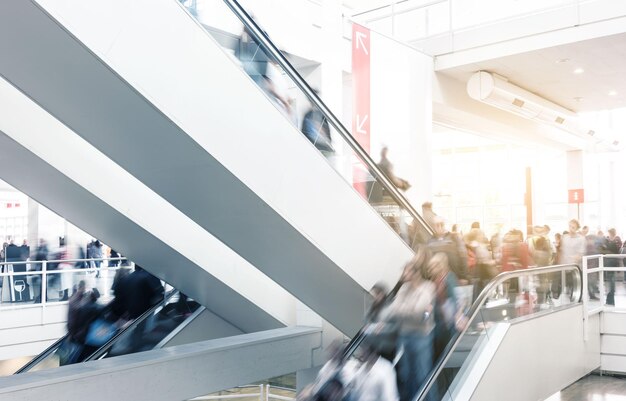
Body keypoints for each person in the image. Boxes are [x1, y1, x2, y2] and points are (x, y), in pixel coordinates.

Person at [380, 248, 436, 401]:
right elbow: (393, 310)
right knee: (407, 374)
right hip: (405, 336)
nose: (403, 275)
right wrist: (408, 311)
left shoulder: (428, 288)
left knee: (423, 375)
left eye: (406, 272)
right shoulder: (404, 288)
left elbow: (420, 315)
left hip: (421, 338)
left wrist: (405, 311)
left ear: (415, 274)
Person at [427, 216, 469, 284]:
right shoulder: (430, 242)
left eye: (441, 224)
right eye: (437, 225)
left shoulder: (455, 238)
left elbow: (463, 257)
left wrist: (463, 276)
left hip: (455, 278)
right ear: (433, 227)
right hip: (438, 281)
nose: (440, 227)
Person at [605, 228, 622, 306]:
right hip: (611, 262)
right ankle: (610, 298)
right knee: (611, 279)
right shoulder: (615, 240)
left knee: (611, 280)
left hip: (611, 262)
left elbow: (613, 250)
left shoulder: (615, 241)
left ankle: (610, 298)